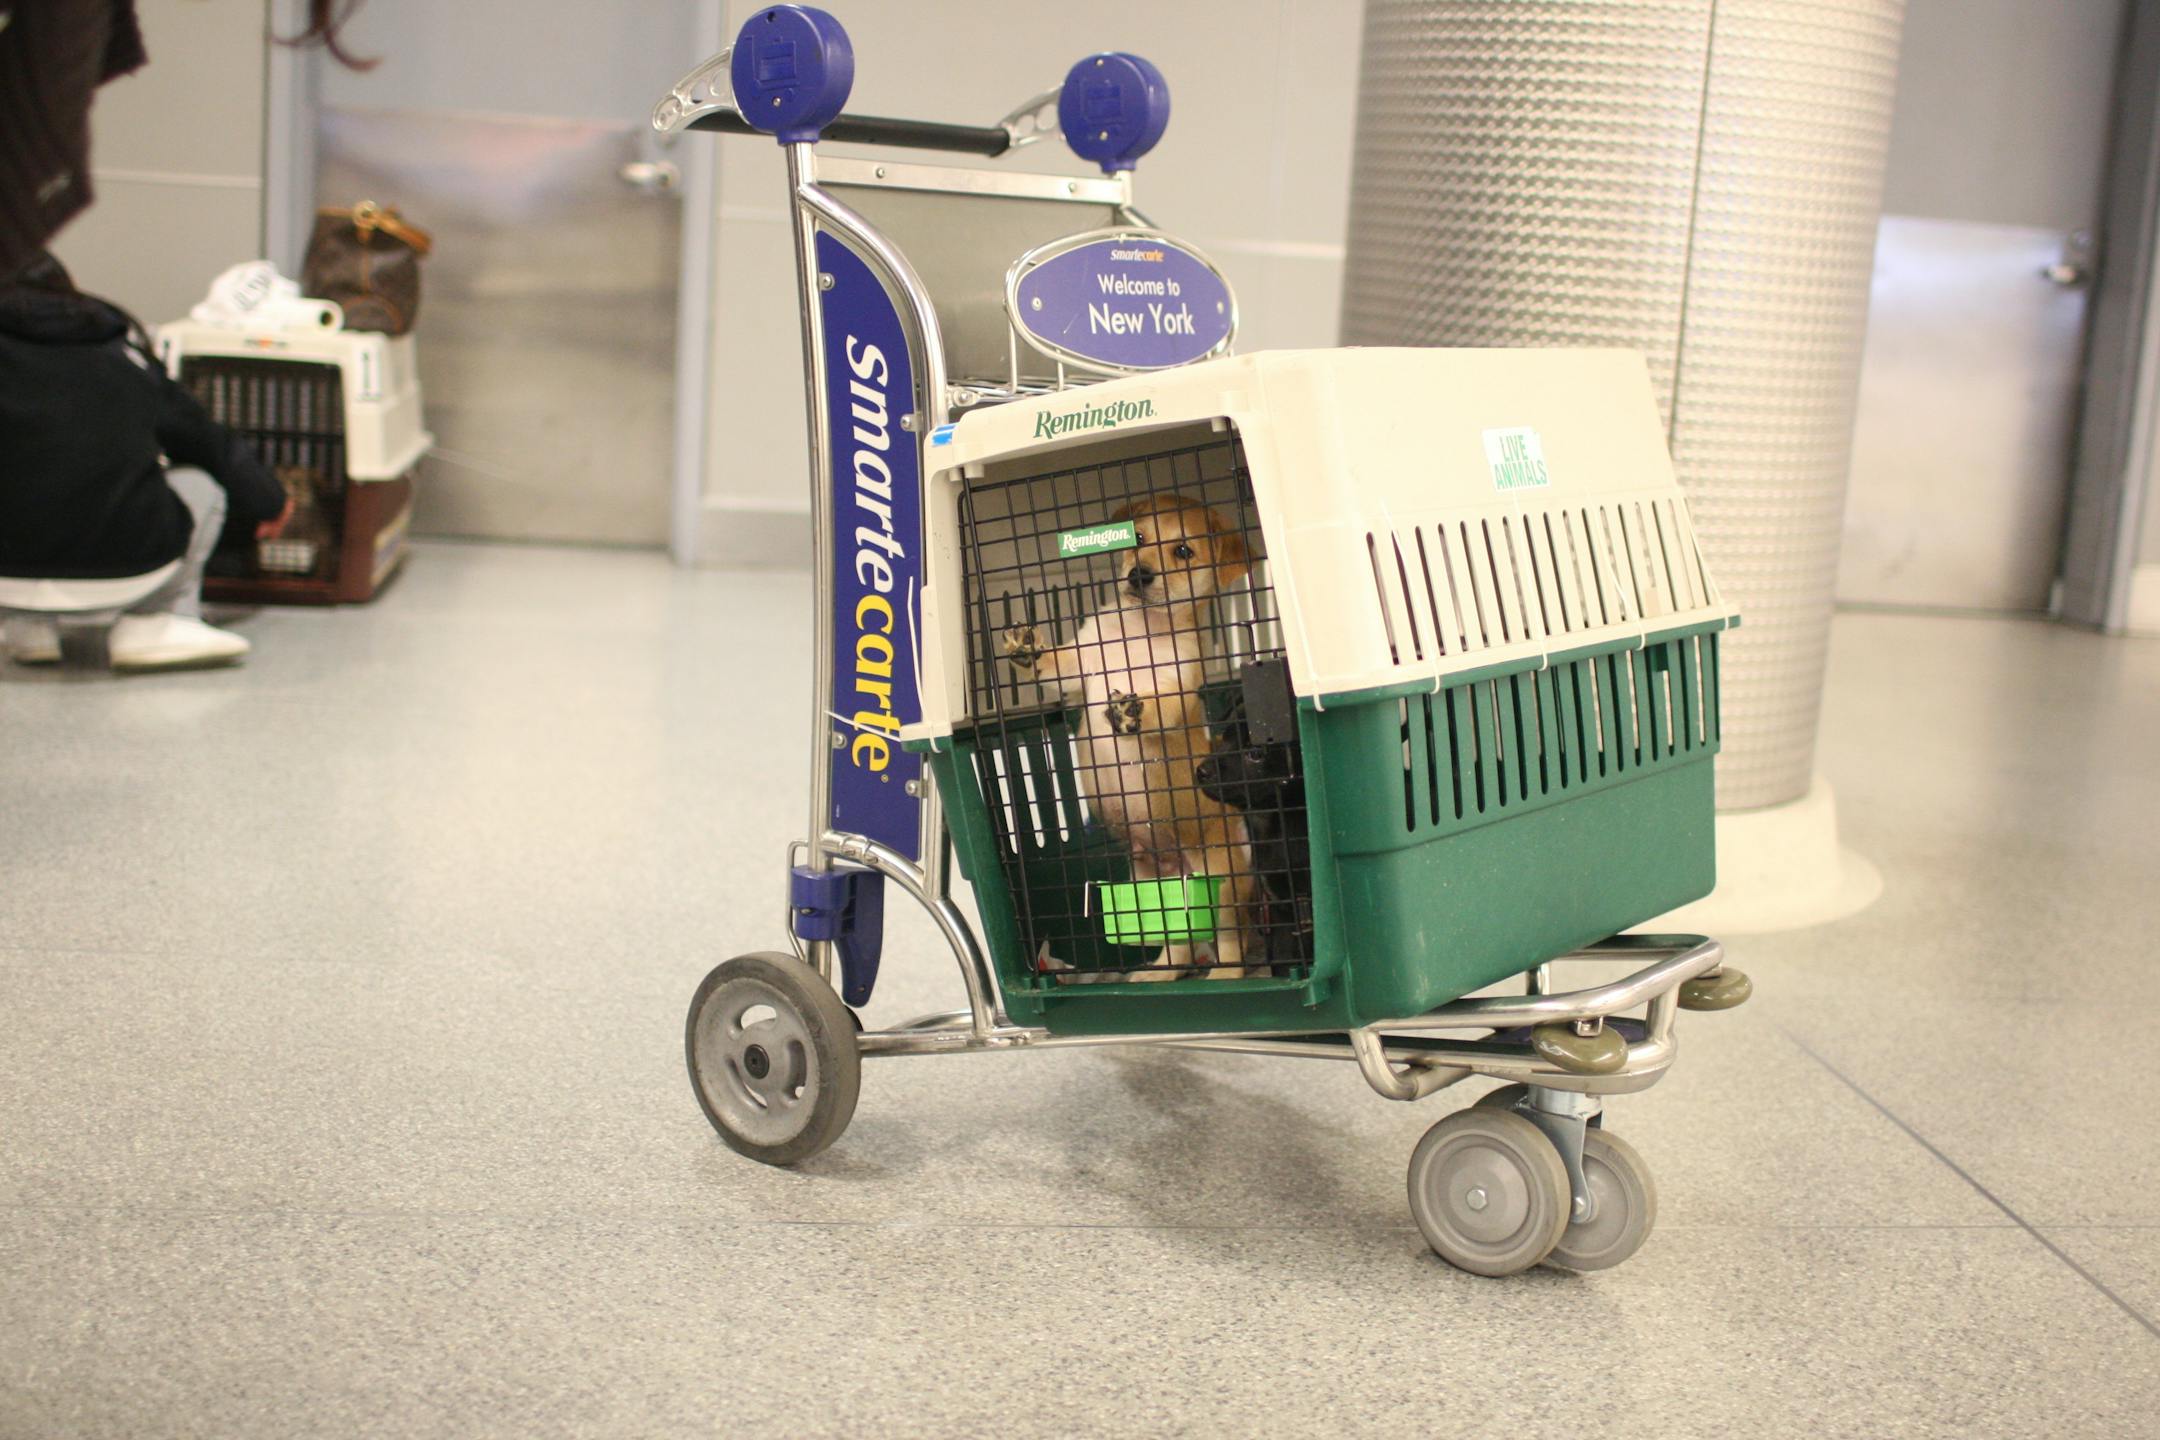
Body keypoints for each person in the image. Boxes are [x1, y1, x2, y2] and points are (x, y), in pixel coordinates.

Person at [0, 252, 290, 668]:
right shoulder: (121, 349)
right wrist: (269, 500)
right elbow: (204, 440)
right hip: (126, 566)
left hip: (5, 570)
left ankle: (25, 628)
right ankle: (154, 620)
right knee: (199, 484)